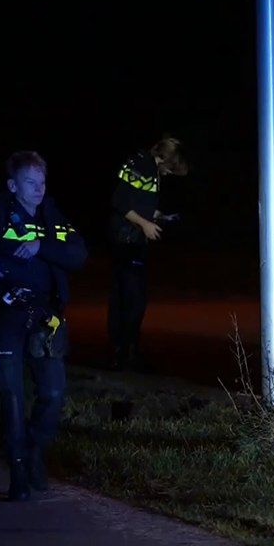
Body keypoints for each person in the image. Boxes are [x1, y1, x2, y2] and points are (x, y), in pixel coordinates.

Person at [0, 151, 87, 501]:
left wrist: (43, 246)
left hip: (44, 317)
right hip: (4, 314)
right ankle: (17, 475)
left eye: (42, 181)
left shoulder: (51, 216)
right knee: (11, 395)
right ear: (13, 185)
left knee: (54, 393)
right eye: (31, 182)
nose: (39, 188)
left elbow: (78, 253)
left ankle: (34, 451)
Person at [107, 134, 188, 370]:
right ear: (163, 158)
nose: (169, 174)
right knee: (130, 299)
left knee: (133, 298)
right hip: (126, 241)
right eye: (170, 169)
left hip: (133, 240)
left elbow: (139, 203)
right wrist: (144, 224)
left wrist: (158, 216)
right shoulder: (141, 166)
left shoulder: (149, 169)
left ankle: (126, 351)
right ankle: (122, 353)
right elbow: (120, 201)